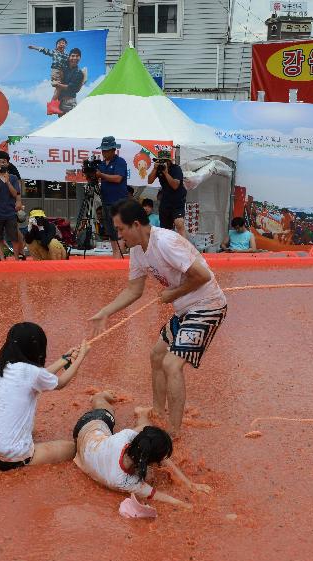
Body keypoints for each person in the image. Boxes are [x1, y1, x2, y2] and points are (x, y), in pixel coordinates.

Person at [90, 199, 227, 436]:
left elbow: (203, 275)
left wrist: (173, 293)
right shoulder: (136, 251)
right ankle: (157, 412)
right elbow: (134, 290)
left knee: (171, 364)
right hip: (184, 309)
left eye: (121, 229)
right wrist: (106, 312)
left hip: (208, 305)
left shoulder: (165, 241)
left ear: (135, 225)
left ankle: (171, 433)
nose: (119, 235)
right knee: (157, 355)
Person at [0, 322, 90, 471]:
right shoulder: (32, 373)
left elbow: (39, 377)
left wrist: (64, 359)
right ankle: (21, 459)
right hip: (10, 456)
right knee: (73, 449)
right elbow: (61, 382)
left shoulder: (3, 364)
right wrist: (80, 358)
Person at [73, 391, 211, 508]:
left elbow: (151, 448)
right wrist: (187, 505)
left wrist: (189, 484)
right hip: (94, 423)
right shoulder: (123, 481)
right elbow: (158, 495)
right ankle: (100, 396)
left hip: (89, 436)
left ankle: (142, 415)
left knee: (144, 430)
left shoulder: (126, 437)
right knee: (108, 409)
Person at [93, 136, 129, 258]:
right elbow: (96, 177)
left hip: (119, 202)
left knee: (119, 228)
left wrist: (101, 175)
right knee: (111, 231)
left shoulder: (120, 162)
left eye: (106, 150)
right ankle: (115, 255)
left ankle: (119, 255)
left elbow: (118, 178)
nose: (104, 152)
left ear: (114, 150)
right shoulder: (101, 164)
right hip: (106, 201)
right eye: (103, 150)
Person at [0, 151, 24, 261]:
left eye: (4, 162)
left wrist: (7, 182)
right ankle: (2, 259)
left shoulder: (13, 178)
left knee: (14, 237)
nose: (2, 164)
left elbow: (15, 193)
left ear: (8, 164)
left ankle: (16, 258)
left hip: (10, 212)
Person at [148, 149, 186, 237]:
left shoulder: (176, 169)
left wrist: (166, 173)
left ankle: (186, 248)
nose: (162, 163)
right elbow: (149, 181)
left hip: (177, 201)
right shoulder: (158, 169)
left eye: (164, 161)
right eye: (160, 161)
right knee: (165, 229)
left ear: (169, 161)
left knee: (179, 223)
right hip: (165, 201)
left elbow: (175, 185)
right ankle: (166, 248)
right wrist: (154, 169)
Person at [28, 37, 68, 113]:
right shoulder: (54, 52)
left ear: (65, 45)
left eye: (63, 43)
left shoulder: (67, 55)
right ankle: (51, 107)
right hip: (56, 71)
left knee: (61, 90)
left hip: (64, 73)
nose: (61, 44)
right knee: (58, 88)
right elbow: (44, 50)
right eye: (59, 43)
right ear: (56, 45)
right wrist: (34, 47)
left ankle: (59, 106)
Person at [56, 48, 86, 115]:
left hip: (69, 103)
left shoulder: (79, 73)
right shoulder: (64, 67)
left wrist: (57, 84)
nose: (74, 58)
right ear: (69, 57)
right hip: (60, 101)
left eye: (77, 56)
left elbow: (71, 88)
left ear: (80, 58)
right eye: (72, 56)